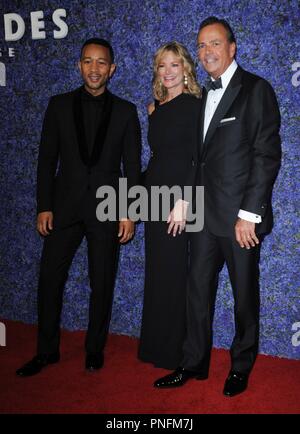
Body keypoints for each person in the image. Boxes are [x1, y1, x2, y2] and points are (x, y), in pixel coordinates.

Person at [154, 17, 281, 396]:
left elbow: (266, 155)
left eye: (214, 44)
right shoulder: (202, 97)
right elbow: (199, 160)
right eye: (202, 46)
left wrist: (250, 214)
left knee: (244, 295)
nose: (207, 52)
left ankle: (241, 366)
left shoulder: (255, 89)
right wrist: (183, 200)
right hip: (203, 216)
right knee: (196, 292)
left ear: (232, 47)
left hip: (240, 218)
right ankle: (193, 362)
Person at [16, 38, 141, 377]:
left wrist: (129, 211)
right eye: (88, 61)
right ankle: (46, 351)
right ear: (79, 66)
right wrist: (44, 206)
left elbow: (131, 166)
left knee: (102, 282)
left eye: (102, 63)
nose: (95, 68)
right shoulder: (57, 106)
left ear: (112, 69)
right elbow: (46, 161)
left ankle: (94, 349)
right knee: (48, 279)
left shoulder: (126, 111)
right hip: (64, 208)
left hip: (107, 209)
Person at [138, 42, 201, 369]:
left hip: (181, 198)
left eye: (175, 65)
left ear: (186, 68)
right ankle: (154, 347)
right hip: (153, 197)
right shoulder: (154, 108)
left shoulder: (196, 106)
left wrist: (185, 201)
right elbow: (155, 159)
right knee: (157, 271)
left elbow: (196, 158)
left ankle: (176, 351)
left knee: (176, 273)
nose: (169, 71)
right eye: (163, 65)